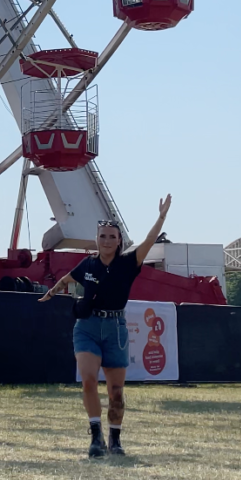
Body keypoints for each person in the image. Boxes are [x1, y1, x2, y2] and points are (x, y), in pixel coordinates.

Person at [39, 195, 172, 459]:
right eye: (103, 236)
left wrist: (161, 217)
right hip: (87, 327)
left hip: (115, 329)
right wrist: (51, 292)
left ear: (119, 240)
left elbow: (148, 241)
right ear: (96, 239)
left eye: (112, 237)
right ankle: (95, 436)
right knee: (88, 381)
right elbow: (68, 278)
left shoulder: (129, 263)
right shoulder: (88, 263)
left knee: (116, 392)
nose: (107, 241)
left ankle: (115, 438)